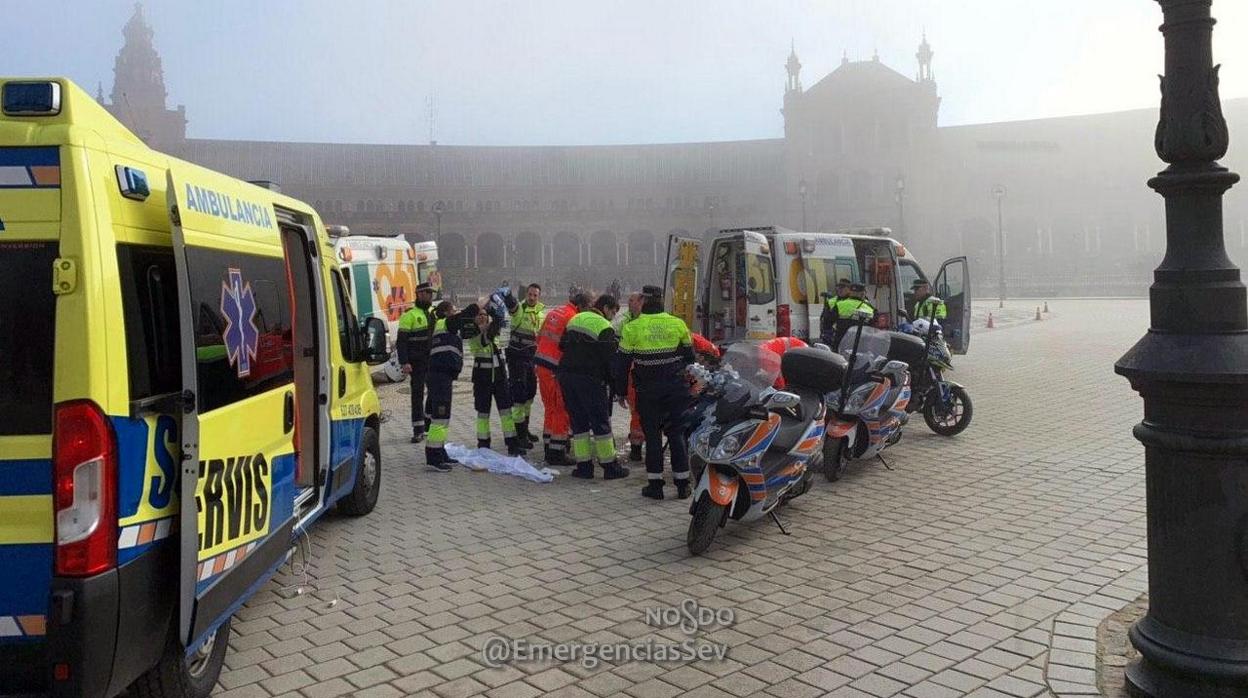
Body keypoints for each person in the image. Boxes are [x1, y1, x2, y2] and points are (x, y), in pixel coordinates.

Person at [616, 285, 696, 500]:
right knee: (677, 434)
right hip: (676, 390)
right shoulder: (677, 323)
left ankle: (655, 485)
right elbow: (690, 358)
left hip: (648, 391)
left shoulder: (632, 327)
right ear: (662, 301)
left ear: (643, 301)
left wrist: (620, 391)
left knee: (652, 437)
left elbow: (622, 363)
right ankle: (682, 485)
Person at [559, 294, 629, 480]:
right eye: (613, 311)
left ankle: (584, 467)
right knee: (600, 422)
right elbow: (610, 362)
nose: (613, 316)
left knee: (578, 422)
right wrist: (614, 385)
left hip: (567, 377)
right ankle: (609, 467)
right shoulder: (604, 326)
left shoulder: (576, 318)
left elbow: (561, 345)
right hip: (590, 380)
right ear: (605, 308)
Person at [466, 300, 525, 456]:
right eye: (479, 315)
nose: (482, 317)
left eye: (485, 314)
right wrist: (495, 324)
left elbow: (506, 331)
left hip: (500, 377)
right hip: (482, 379)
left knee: (506, 411)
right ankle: (483, 444)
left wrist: (502, 315)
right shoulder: (473, 332)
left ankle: (512, 443)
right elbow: (484, 341)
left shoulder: (495, 330)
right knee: (483, 413)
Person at [534, 288, 582, 465]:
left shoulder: (555, 311)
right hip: (555, 367)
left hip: (542, 364)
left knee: (550, 407)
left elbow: (540, 337)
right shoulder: (573, 317)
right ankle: (557, 452)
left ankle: (548, 444)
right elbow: (570, 347)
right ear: (580, 306)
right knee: (561, 409)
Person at [425, 301, 474, 472]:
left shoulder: (445, 326)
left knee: (443, 417)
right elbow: (468, 312)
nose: (455, 312)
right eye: (453, 310)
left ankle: (440, 450)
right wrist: (484, 301)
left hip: (442, 375)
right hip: (439, 376)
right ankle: (433, 456)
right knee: (440, 416)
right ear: (446, 313)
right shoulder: (443, 323)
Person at [397, 281, 436, 443]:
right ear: (420, 294)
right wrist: (404, 362)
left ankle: (427, 423)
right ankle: (418, 429)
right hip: (417, 362)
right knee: (417, 395)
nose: (431, 296)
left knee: (434, 393)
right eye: (428, 293)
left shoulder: (432, 313)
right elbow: (401, 342)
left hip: (432, 360)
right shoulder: (409, 315)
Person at [507, 283, 545, 447]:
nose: (532, 297)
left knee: (530, 395)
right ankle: (519, 435)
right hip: (517, 357)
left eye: (535, 295)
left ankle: (526, 429)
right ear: (526, 294)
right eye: (530, 294)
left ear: (539, 296)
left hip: (531, 358)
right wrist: (508, 296)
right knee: (519, 397)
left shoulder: (541, 313)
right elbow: (512, 306)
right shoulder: (519, 309)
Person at [612, 291, 645, 461]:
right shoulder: (623, 321)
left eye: (632, 300)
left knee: (642, 413)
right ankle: (636, 447)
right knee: (637, 413)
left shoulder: (644, 321)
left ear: (641, 302)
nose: (629, 303)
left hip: (642, 372)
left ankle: (640, 444)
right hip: (633, 373)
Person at [821, 280, 875, 349]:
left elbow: (827, 322)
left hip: (840, 343)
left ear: (850, 292)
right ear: (863, 293)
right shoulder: (869, 308)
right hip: (860, 346)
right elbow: (874, 329)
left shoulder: (839, 305)